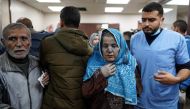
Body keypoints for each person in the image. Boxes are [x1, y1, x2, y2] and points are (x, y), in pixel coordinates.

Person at [130, 2, 190, 109]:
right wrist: (137, 81)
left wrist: (176, 79)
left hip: (166, 101)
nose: (146, 24)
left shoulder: (176, 39)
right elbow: (134, 65)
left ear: (162, 20)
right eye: (144, 20)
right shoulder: (135, 39)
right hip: (141, 100)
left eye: (151, 20)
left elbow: (185, 67)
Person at [40, 6, 92, 109]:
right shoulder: (89, 47)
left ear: (61, 22)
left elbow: (42, 65)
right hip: (80, 103)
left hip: (54, 102)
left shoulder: (47, 42)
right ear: (78, 24)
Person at [83, 28, 142, 109]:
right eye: (105, 46)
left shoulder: (130, 63)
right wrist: (100, 74)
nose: (109, 50)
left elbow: (138, 92)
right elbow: (85, 93)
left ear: (121, 47)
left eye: (114, 46)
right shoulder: (93, 63)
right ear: (100, 48)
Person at [0, 23, 49, 109]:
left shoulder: (39, 64)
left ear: (30, 42)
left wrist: (49, 79)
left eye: (24, 38)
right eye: (12, 39)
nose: (19, 44)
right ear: (3, 42)